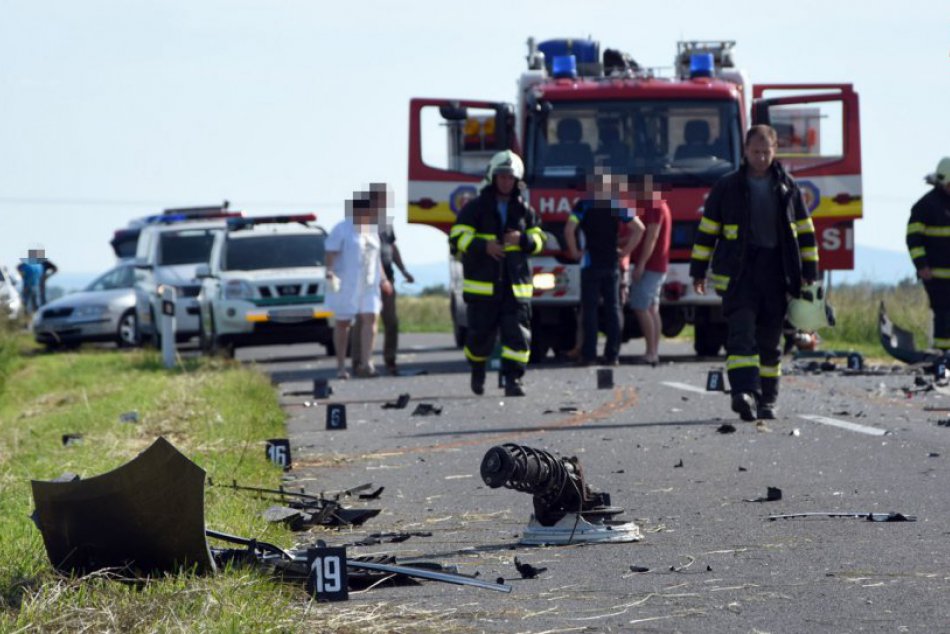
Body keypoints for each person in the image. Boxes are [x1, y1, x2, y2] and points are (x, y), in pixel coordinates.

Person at [690, 125, 818, 422]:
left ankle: (767, 400)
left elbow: (805, 232)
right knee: (741, 336)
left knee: (770, 343)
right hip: (740, 275)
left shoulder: (788, 187)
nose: (761, 157)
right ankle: (744, 393)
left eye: (766, 152)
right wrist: (698, 270)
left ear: (774, 152)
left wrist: (809, 271)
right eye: (756, 151)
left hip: (777, 274)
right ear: (745, 151)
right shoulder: (726, 187)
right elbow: (707, 231)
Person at [449, 150, 544, 397]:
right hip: (483, 287)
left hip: (515, 288)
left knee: (517, 337)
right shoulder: (475, 208)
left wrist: (522, 239)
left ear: (517, 180)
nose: (505, 182)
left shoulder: (524, 210)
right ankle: (478, 369)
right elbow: (457, 237)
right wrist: (484, 246)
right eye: (501, 177)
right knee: (479, 337)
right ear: (493, 177)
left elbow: (540, 239)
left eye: (510, 178)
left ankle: (514, 380)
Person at [565, 169, 641, 366]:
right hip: (611, 263)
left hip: (590, 263)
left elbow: (569, 229)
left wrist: (574, 251)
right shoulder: (616, 205)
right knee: (613, 309)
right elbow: (639, 228)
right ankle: (612, 355)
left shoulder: (584, 205)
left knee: (589, 310)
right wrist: (625, 251)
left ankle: (589, 354)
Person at [350, 183, 415, 375]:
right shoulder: (360, 222)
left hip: (388, 278)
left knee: (391, 321)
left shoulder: (386, 222)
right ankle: (359, 362)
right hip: (366, 280)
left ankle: (390, 360)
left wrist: (403, 270)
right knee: (363, 321)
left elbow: (392, 248)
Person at [325, 195, 393, 379]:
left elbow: (376, 257)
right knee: (343, 323)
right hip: (346, 282)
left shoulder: (372, 231)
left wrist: (384, 280)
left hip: (369, 283)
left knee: (371, 317)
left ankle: (366, 362)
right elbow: (331, 252)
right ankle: (341, 366)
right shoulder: (342, 229)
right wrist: (329, 272)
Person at [907, 157, 950, 355]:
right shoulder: (926, 206)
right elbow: (913, 239)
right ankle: (943, 356)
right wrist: (922, 265)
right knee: (943, 315)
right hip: (936, 275)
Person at [627, 175, 672, 366]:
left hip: (651, 265)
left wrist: (641, 264)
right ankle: (654, 351)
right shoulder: (660, 204)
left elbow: (651, 236)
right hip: (658, 264)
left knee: (640, 306)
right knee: (653, 308)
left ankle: (651, 352)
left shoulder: (653, 206)